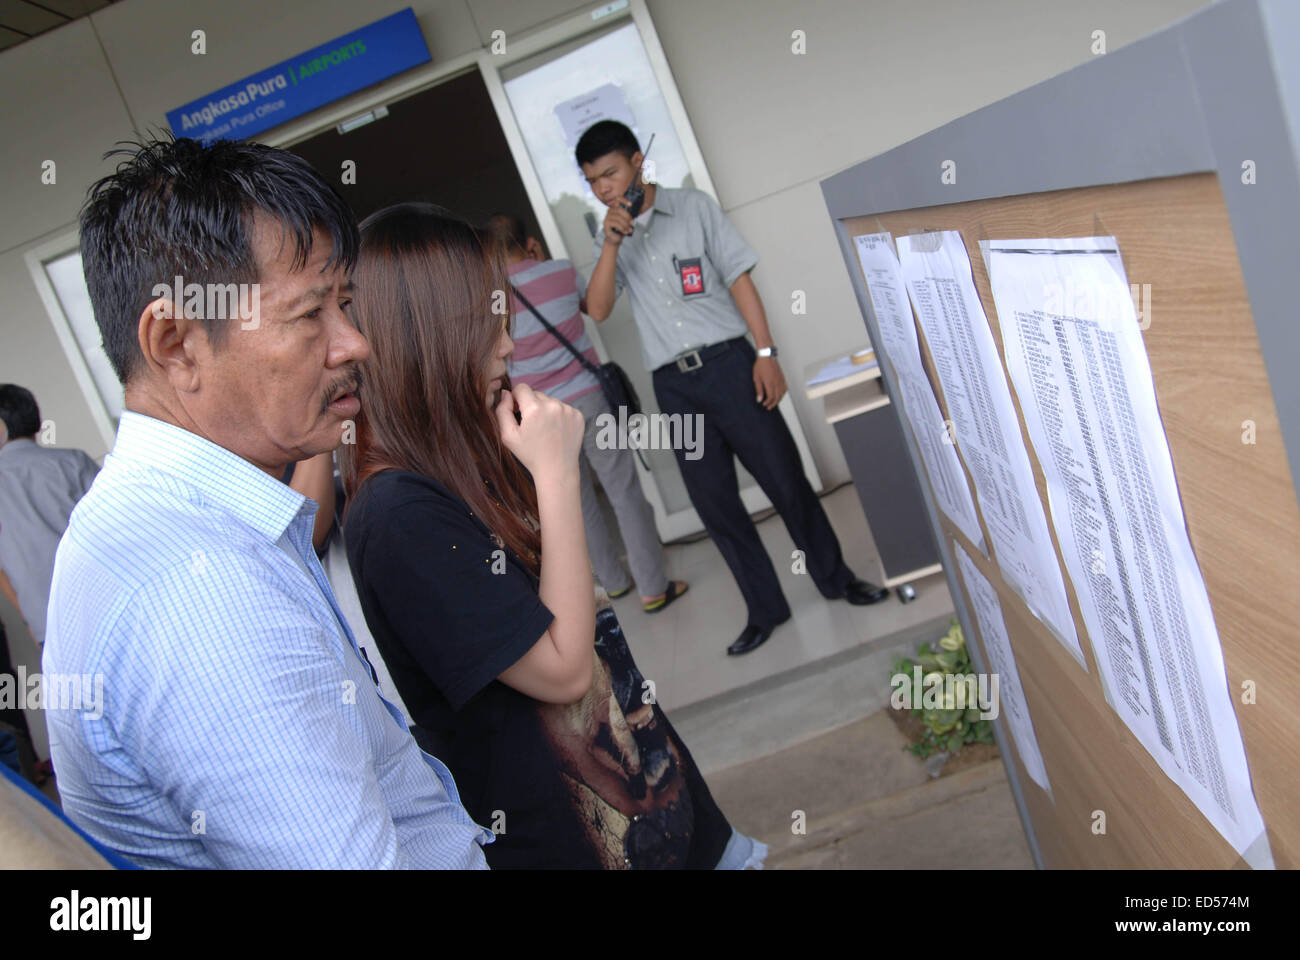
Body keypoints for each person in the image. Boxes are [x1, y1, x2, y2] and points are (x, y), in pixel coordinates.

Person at [43, 134, 491, 869]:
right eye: (311, 312)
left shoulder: (168, 523)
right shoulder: (201, 595)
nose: (354, 343)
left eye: (346, 304)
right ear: (177, 342)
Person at [340, 203, 766, 869]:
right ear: (426, 343)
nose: (507, 346)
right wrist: (557, 474)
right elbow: (564, 669)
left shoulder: (468, 458)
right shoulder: (397, 514)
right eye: (486, 327)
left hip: (676, 824)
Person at [578, 120, 890, 657]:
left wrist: (766, 353)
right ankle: (765, 609)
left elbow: (740, 279)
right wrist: (609, 245)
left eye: (610, 173)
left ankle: (837, 580)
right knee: (715, 504)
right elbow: (599, 308)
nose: (605, 188)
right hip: (674, 388)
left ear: (636, 162)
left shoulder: (693, 208)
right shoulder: (611, 234)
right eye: (593, 182)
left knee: (785, 479)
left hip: (730, 364)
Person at [479, 213, 687, 614]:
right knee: (623, 492)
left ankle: (613, 582)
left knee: (576, 501)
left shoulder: (490, 299)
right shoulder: (560, 272)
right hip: (590, 399)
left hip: (540, 414)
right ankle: (653, 587)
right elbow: (588, 307)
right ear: (530, 242)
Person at [0, 385, 100, 648]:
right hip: (107, 607)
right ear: (37, 421)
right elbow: (119, 529)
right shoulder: (72, 463)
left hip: (48, 625)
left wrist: (30, 616)